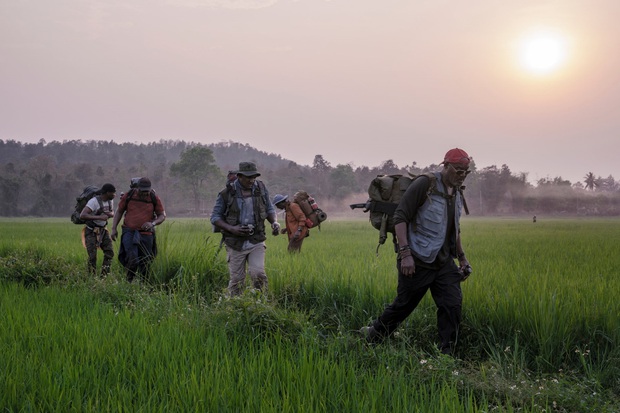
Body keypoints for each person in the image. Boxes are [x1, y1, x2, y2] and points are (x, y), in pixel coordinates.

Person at [360, 148, 473, 355]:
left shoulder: (457, 191)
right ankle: (373, 336)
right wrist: (405, 255)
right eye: (458, 170)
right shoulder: (425, 184)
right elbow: (400, 217)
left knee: (452, 306)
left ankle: (447, 355)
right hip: (418, 259)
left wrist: (463, 258)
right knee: (403, 306)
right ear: (445, 166)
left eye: (466, 171)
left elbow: (454, 227)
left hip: (444, 262)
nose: (462, 175)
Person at [210, 161, 281, 296]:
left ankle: (261, 303)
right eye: (248, 177)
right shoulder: (226, 194)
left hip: (256, 239)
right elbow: (215, 217)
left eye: (254, 177)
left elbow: (269, 208)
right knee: (237, 280)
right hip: (235, 242)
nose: (251, 180)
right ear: (239, 176)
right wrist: (232, 229)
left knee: (258, 273)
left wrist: (274, 223)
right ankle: (235, 307)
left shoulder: (260, 188)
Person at [110, 177, 166, 282]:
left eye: (147, 191)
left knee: (146, 261)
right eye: (142, 191)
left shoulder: (154, 198)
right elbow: (119, 211)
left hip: (146, 234)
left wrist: (152, 223)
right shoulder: (129, 195)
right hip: (129, 232)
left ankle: (143, 284)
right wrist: (114, 228)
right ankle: (129, 282)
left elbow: (162, 216)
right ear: (137, 188)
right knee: (132, 259)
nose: (145, 193)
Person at [79, 183, 116, 278]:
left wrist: (110, 214)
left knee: (110, 253)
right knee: (92, 257)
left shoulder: (110, 201)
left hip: (103, 230)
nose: (114, 195)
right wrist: (99, 217)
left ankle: (104, 277)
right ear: (107, 192)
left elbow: (112, 211)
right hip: (91, 231)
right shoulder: (93, 202)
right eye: (112, 193)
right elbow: (82, 215)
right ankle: (91, 278)